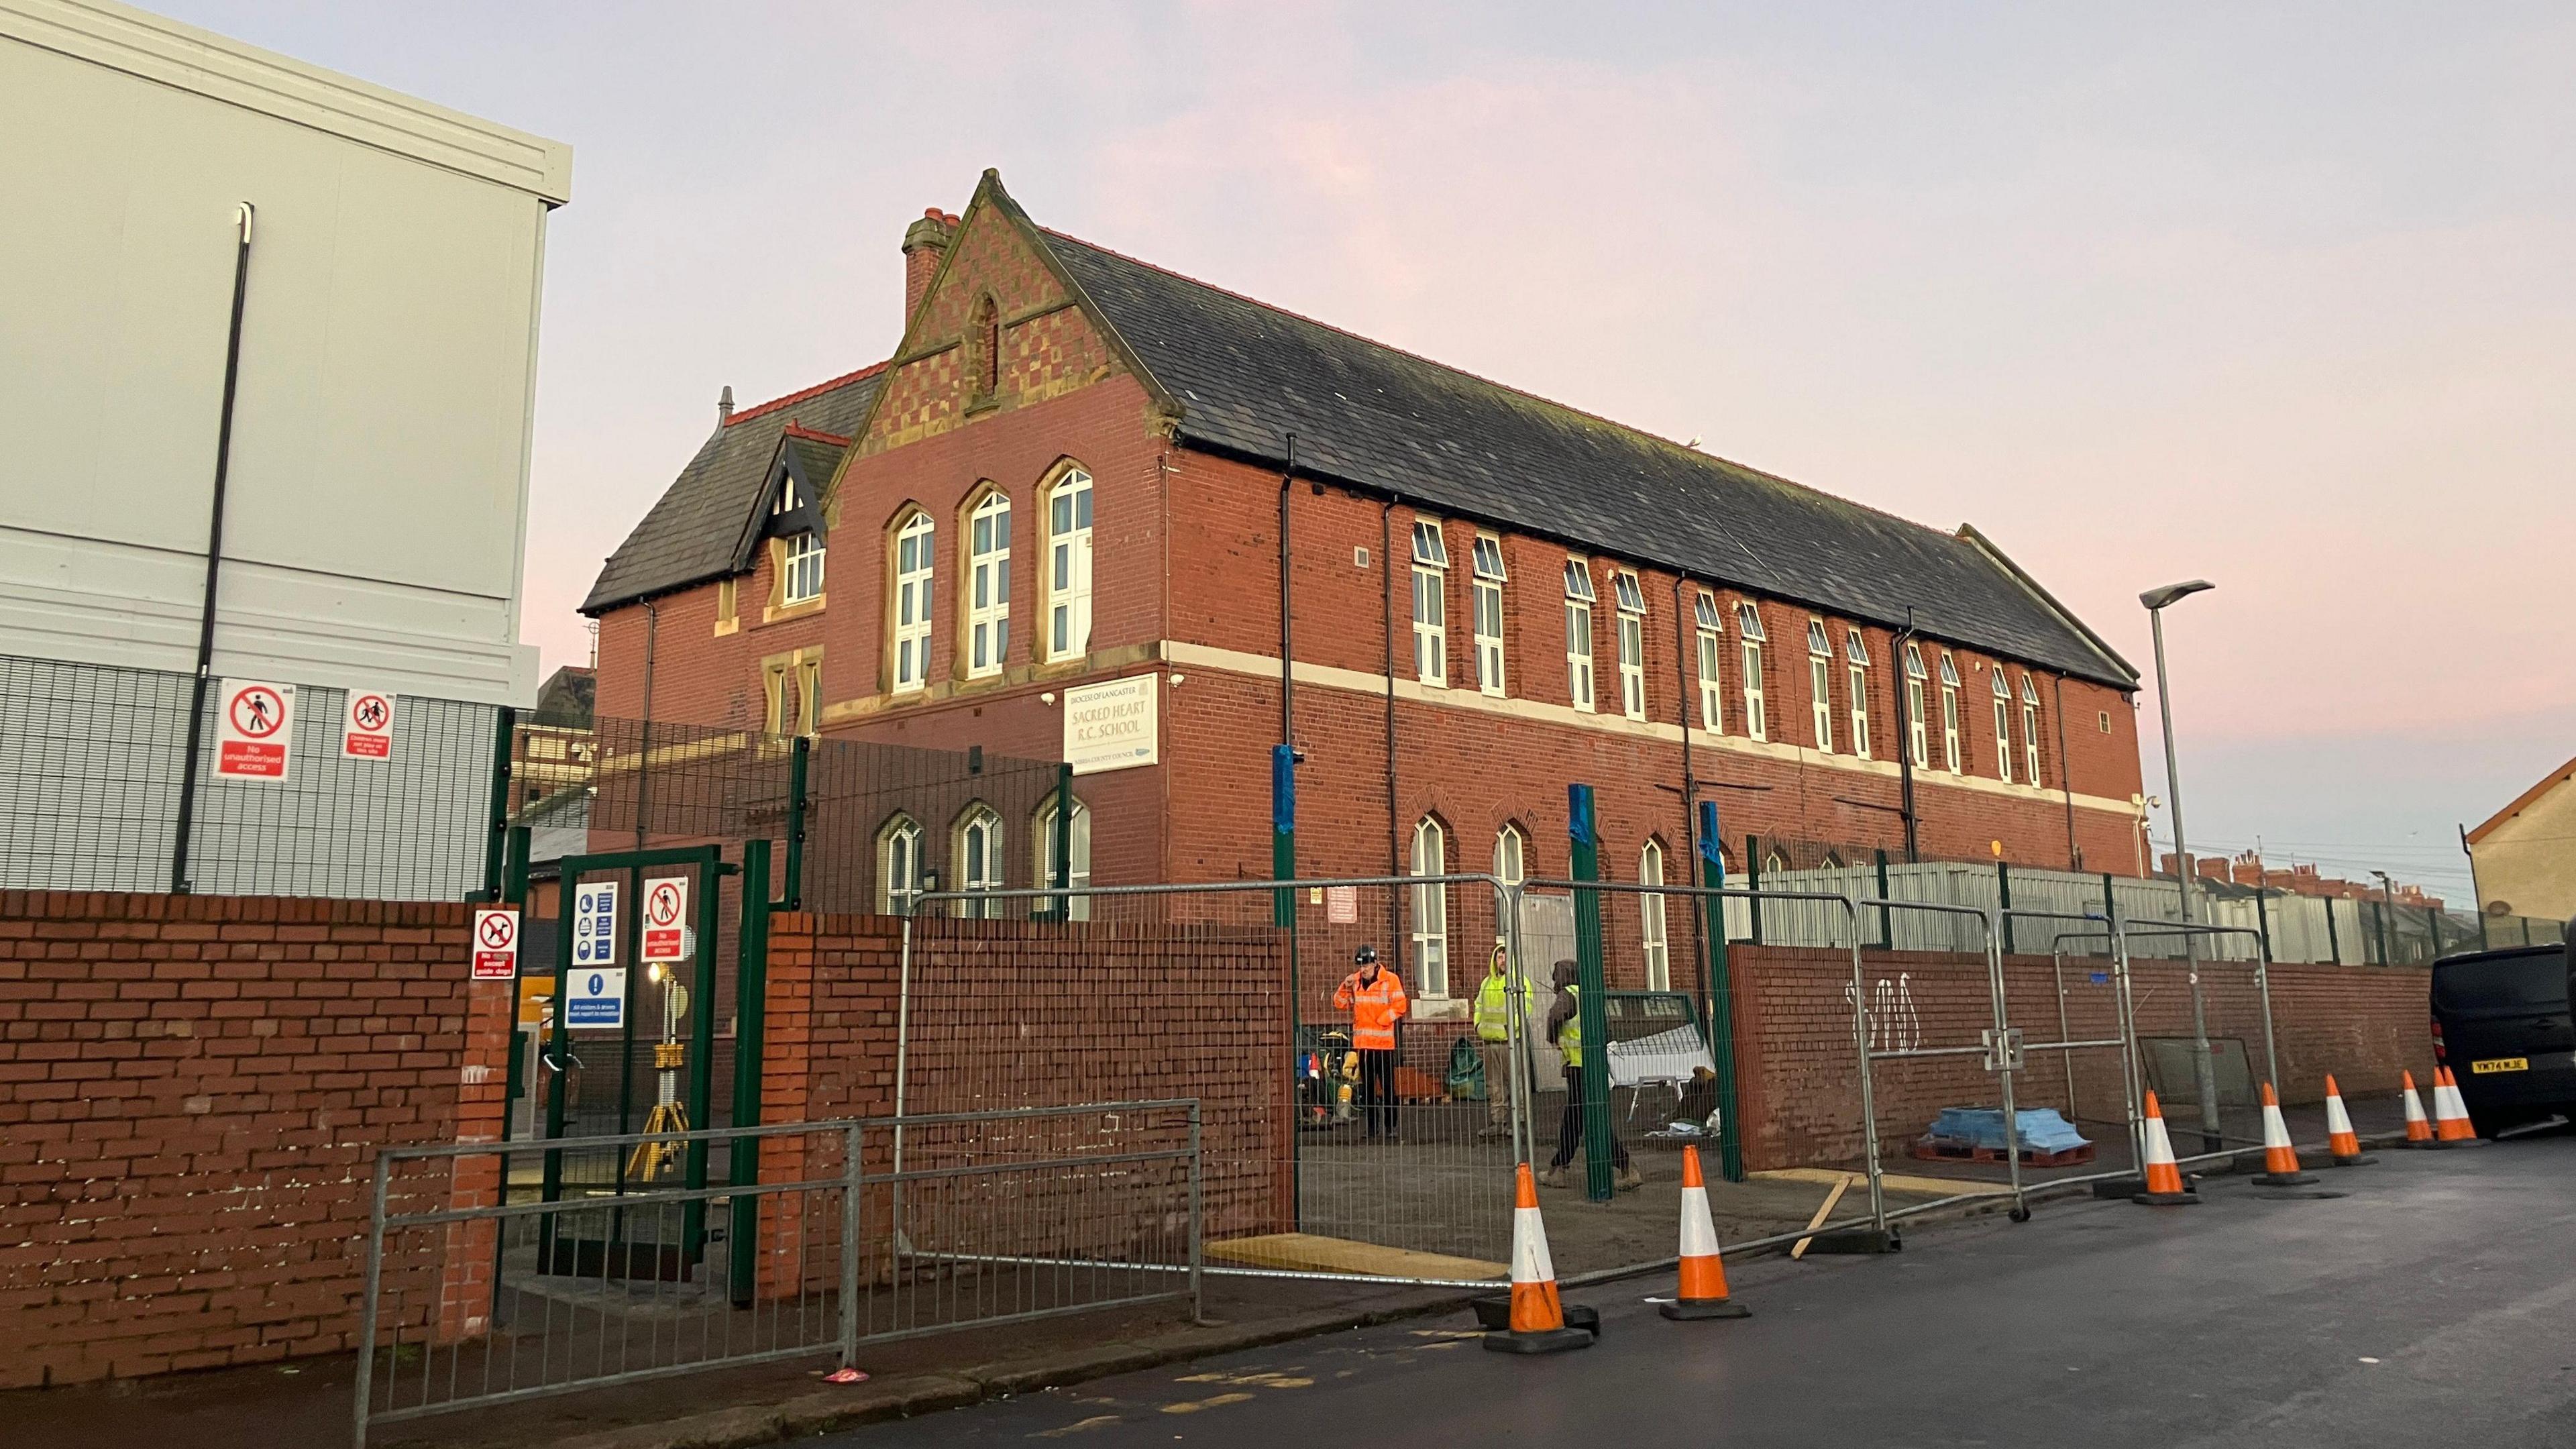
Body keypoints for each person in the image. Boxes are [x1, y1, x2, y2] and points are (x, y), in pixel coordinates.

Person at [1540, 958, 1643, 1191]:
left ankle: (1625, 1165)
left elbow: (1556, 1016)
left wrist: (1553, 1039)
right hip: (1594, 1065)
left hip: (1578, 1066)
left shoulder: (1567, 995)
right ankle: (1559, 1167)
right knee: (1580, 1119)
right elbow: (1606, 1029)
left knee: (1581, 1119)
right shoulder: (1589, 994)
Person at [1333, 944, 1408, 1141]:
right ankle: (1372, 1128)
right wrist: (1345, 985)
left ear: (1375, 964)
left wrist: (1383, 1020)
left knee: (1387, 1088)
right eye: (1360, 965)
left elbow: (1401, 1005)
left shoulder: (1390, 980)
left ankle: (1391, 1127)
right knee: (1367, 1090)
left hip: (1383, 1046)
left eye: (1366, 965)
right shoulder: (1355, 982)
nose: (1363, 969)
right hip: (1364, 1046)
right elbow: (1339, 1003)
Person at [1470, 940, 1523, 1139]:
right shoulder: (1487, 983)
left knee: (1516, 1084)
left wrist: (1511, 1028)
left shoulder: (1518, 981)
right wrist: (1478, 1026)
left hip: (1509, 1041)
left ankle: (1520, 1122)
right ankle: (1498, 1122)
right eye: (1499, 957)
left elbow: (1524, 1008)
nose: (1502, 960)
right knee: (1495, 1086)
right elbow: (1478, 1005)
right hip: (1490, 1041)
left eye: (1505, 956)